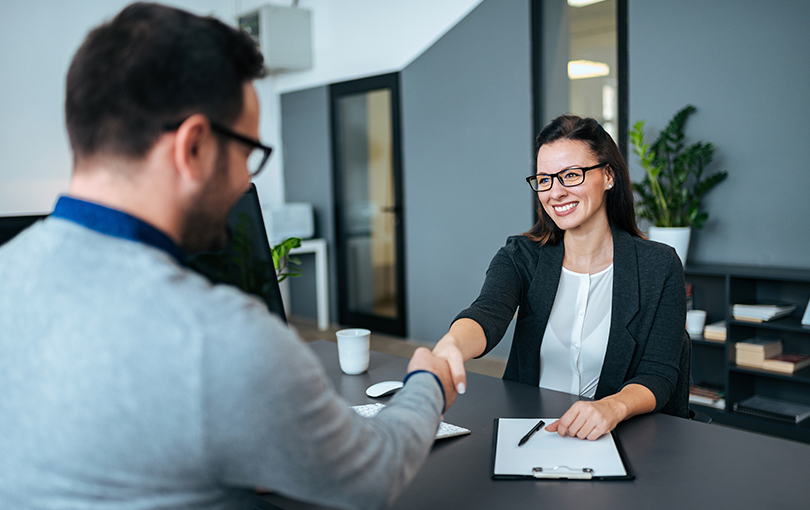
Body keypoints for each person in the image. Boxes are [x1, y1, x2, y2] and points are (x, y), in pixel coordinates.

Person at [0, 4, 456, 510]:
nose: (246, 179)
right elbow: (373, 474)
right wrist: (426, 384)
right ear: (193, 146)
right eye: (245, 152)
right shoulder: (216, 339)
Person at [433, 114, 689, 441]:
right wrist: (451, 346)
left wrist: (612, 407)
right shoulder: (521, 256)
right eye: (544, 179)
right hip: (531, 433)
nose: (555, 192)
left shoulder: (658, 265)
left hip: (618, 435)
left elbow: (659, 374)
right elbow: (487, 314)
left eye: (571, 175)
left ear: (608, 175)